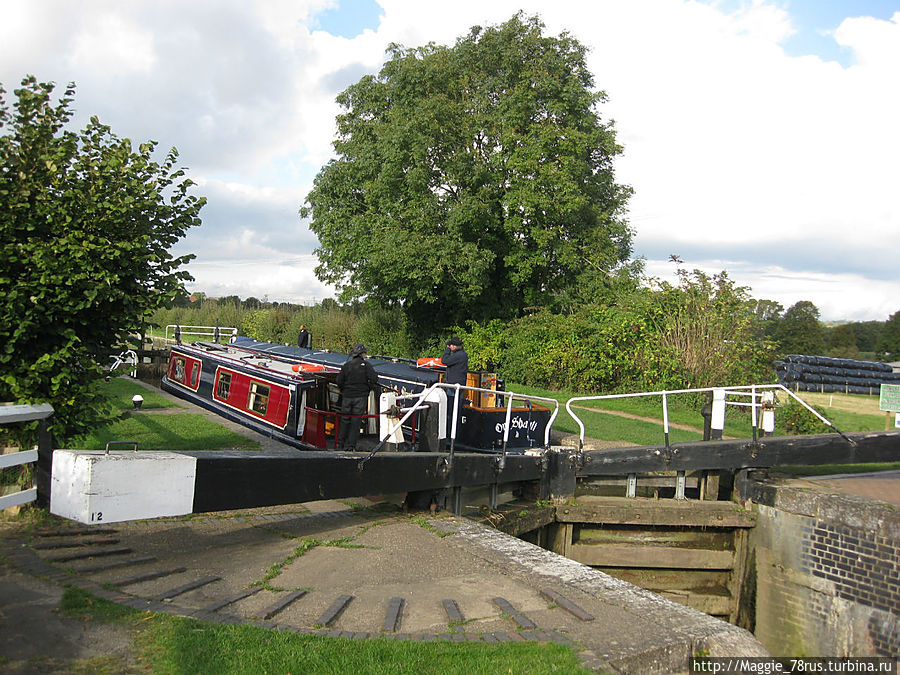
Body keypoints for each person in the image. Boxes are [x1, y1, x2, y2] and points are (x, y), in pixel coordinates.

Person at [336, 343, 379, 451]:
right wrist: (367, 389)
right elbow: (374, 379)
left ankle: (340, 444)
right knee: (355, 422)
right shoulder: (367, 366)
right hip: (360, 397)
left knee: (345, 420)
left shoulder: (347, 365)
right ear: (362, 354)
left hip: (347, 397)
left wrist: (344, 390)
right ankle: (351, 446)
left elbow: (339, 381)